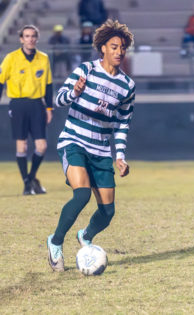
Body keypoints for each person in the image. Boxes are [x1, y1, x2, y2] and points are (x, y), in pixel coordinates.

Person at [46, 19, 135, 272]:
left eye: (122, 48)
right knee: (81, 193)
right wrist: (74, 91)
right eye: (114, 46)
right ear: (103, 48)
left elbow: (122, 124)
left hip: (100, 150)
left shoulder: (127, 86)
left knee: (107, 212)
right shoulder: (85, 70)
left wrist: (120, 156)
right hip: (74, 141)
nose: (119, 52)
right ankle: (55, 242)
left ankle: (84, 236)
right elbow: (60, 99)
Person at [0, 25, 53, 195]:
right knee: (21, 146)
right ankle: (27, 185)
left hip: (37, 105)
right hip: (18, 105)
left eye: (33, 36)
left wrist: (49, 108)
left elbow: (49, 85)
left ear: (37, 38)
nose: (30, 39)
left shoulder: (43, 58)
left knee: (42, 146)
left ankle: (30, 178)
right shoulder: (11, 58)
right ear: (21, 39)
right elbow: (0, 82)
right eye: (26, 36)